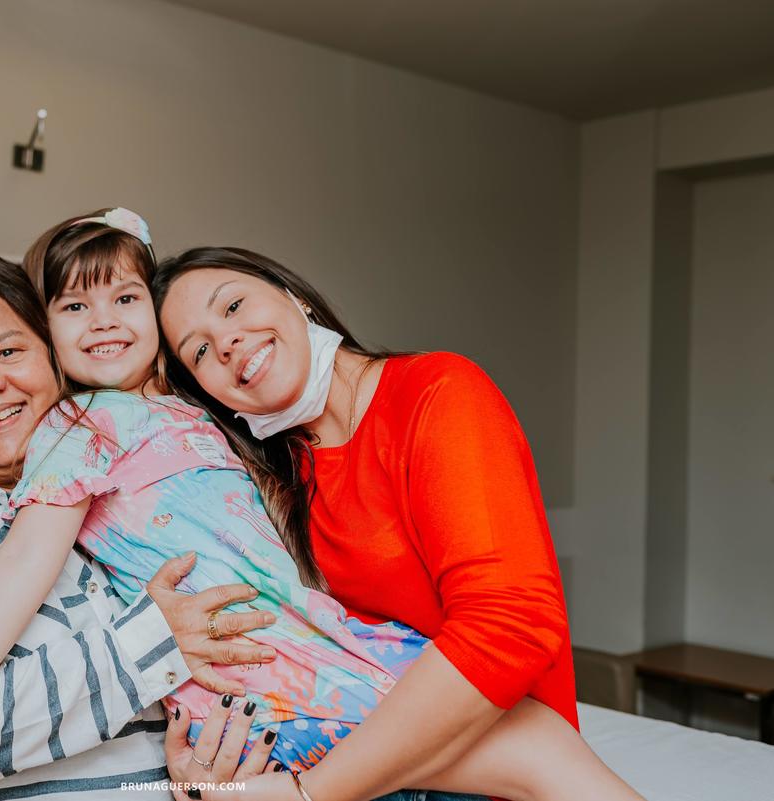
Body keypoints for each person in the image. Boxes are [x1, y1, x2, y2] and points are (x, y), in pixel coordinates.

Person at [0, 215, 639, 801]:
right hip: (274, 677)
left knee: (534, 752)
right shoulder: (69, 440)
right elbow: (21, 567)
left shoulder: (210, 421)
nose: (105, 321)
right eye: (73, 309)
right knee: (536, 754)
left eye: (125, 298)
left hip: (300, 659)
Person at [153, 248, 641, 800]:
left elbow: (508, 626)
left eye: (234, 305)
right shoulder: (277, 481)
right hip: (383, 773)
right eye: (199, 352)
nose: (226, 342)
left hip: (495, 771)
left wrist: (307, 793)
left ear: (295, 297)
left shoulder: (438, 392)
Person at [0, 250, 272, 801]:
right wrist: (149, 644)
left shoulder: (122, 491)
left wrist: (205, 777)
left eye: (9, 351)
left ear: (56, 359)